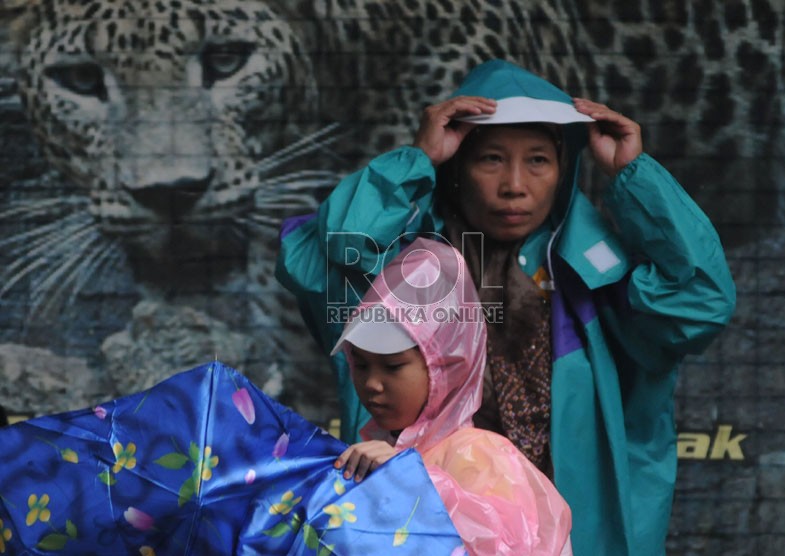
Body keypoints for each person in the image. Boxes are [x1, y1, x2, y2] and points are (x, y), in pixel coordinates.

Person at [275, 59, 736, 555]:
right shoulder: (404, 271)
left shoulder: (595, 274)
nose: (514, 185)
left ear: (564, 169)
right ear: (457, 167)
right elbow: (328, 254)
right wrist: (416, 160)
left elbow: (699, 303)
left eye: (538, 159)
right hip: (425, 536)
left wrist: (633, 176)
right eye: (490, 159)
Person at [330, 237, 573, 555]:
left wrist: (417, 483)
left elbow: (514, 546)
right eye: (360, 364)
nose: (372, 383)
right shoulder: (379, 455)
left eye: (392, 366)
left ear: (445, 364)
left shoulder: (481, 455)